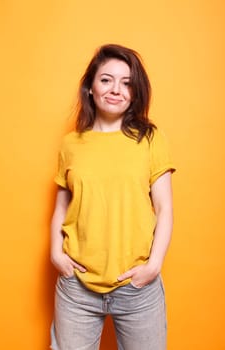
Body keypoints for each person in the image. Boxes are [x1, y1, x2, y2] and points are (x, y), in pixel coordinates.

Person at [50, 44, 175, 350]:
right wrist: (56, 252)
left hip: (137, 287)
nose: (116, 89)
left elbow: (165, 207)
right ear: (90, 87)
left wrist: (154, 264)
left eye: (127, 82)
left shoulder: (150, 138)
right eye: (106, 80)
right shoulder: (71, 144)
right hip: (77, 287)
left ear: (135, 92)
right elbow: (61, 206)